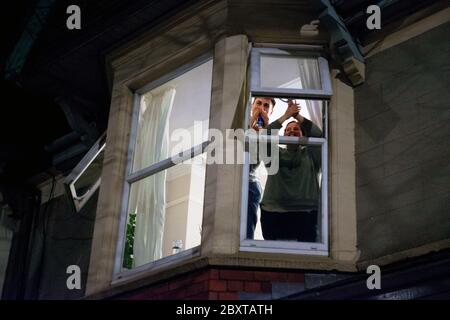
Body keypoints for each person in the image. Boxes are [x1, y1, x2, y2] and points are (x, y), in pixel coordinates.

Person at [246, 98, 321, 239]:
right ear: (283, 135)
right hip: (274, 213)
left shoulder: (311, 155)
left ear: (303, 135)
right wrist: (286, 115)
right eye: (288, 130)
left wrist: (297, 116)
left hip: (306, 213)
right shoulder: (275, 154)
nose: (291, 131)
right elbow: (265, 137)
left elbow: (318, 135)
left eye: (296, 129)